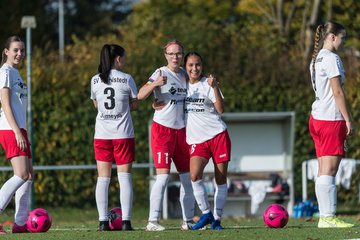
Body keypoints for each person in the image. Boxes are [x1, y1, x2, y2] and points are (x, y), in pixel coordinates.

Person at [138, 40, 195, 231]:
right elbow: (139, 95)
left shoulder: (185, 75)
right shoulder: (160, 73)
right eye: (171, 54)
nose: (175, 57)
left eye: (178, 53)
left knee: (187, 178)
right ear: (165, 55)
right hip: (163, 130)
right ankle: (152, 221)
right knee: (163, 177)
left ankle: (188, 221)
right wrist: (155, 84)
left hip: (183, 132)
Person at [309, 21, 354, 228]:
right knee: (329, 170)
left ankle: (325, 216)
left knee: (322, 169)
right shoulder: (332, 58)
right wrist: (348, 119)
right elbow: (337, 92)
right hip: (330, 119)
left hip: (317, 117)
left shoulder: (316, 59)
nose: (343, 42)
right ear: (332, 37)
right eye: (342, 38)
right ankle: (328, 217)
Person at [90, 44, 138, 231]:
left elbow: (96, 104)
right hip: (123, 134)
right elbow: (134, 105)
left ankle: (103, 222)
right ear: (118, 59)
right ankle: (126, 222)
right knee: (124, 177)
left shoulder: (95, 80)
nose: (125, 61)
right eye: (124, 58)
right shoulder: (127, 79)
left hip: (102, 134)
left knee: (103, 179)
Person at [183, 52, 231, 230]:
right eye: (190, 65)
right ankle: (206, 213)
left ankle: (217, 219)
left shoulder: (208, 84)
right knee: (194, 175)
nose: (194, 68)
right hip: (197, 139)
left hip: (218, 136)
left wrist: (215, 87)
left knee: (220, 178)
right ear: (185, 66)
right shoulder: (182, 84)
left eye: (198, 65)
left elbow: (220, 110)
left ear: (202, 66)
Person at [0, 36, 34, 234]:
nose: (19, 53)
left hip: (20, 129)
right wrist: (16, 132)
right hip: (10, 129)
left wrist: (22, 131)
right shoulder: (5, 72)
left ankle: (20, 224)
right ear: (6, 51)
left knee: (28, 175)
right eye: (15, 50)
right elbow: (5, 102)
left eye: (21, 50)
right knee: (20, 174)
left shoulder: (16, 73)